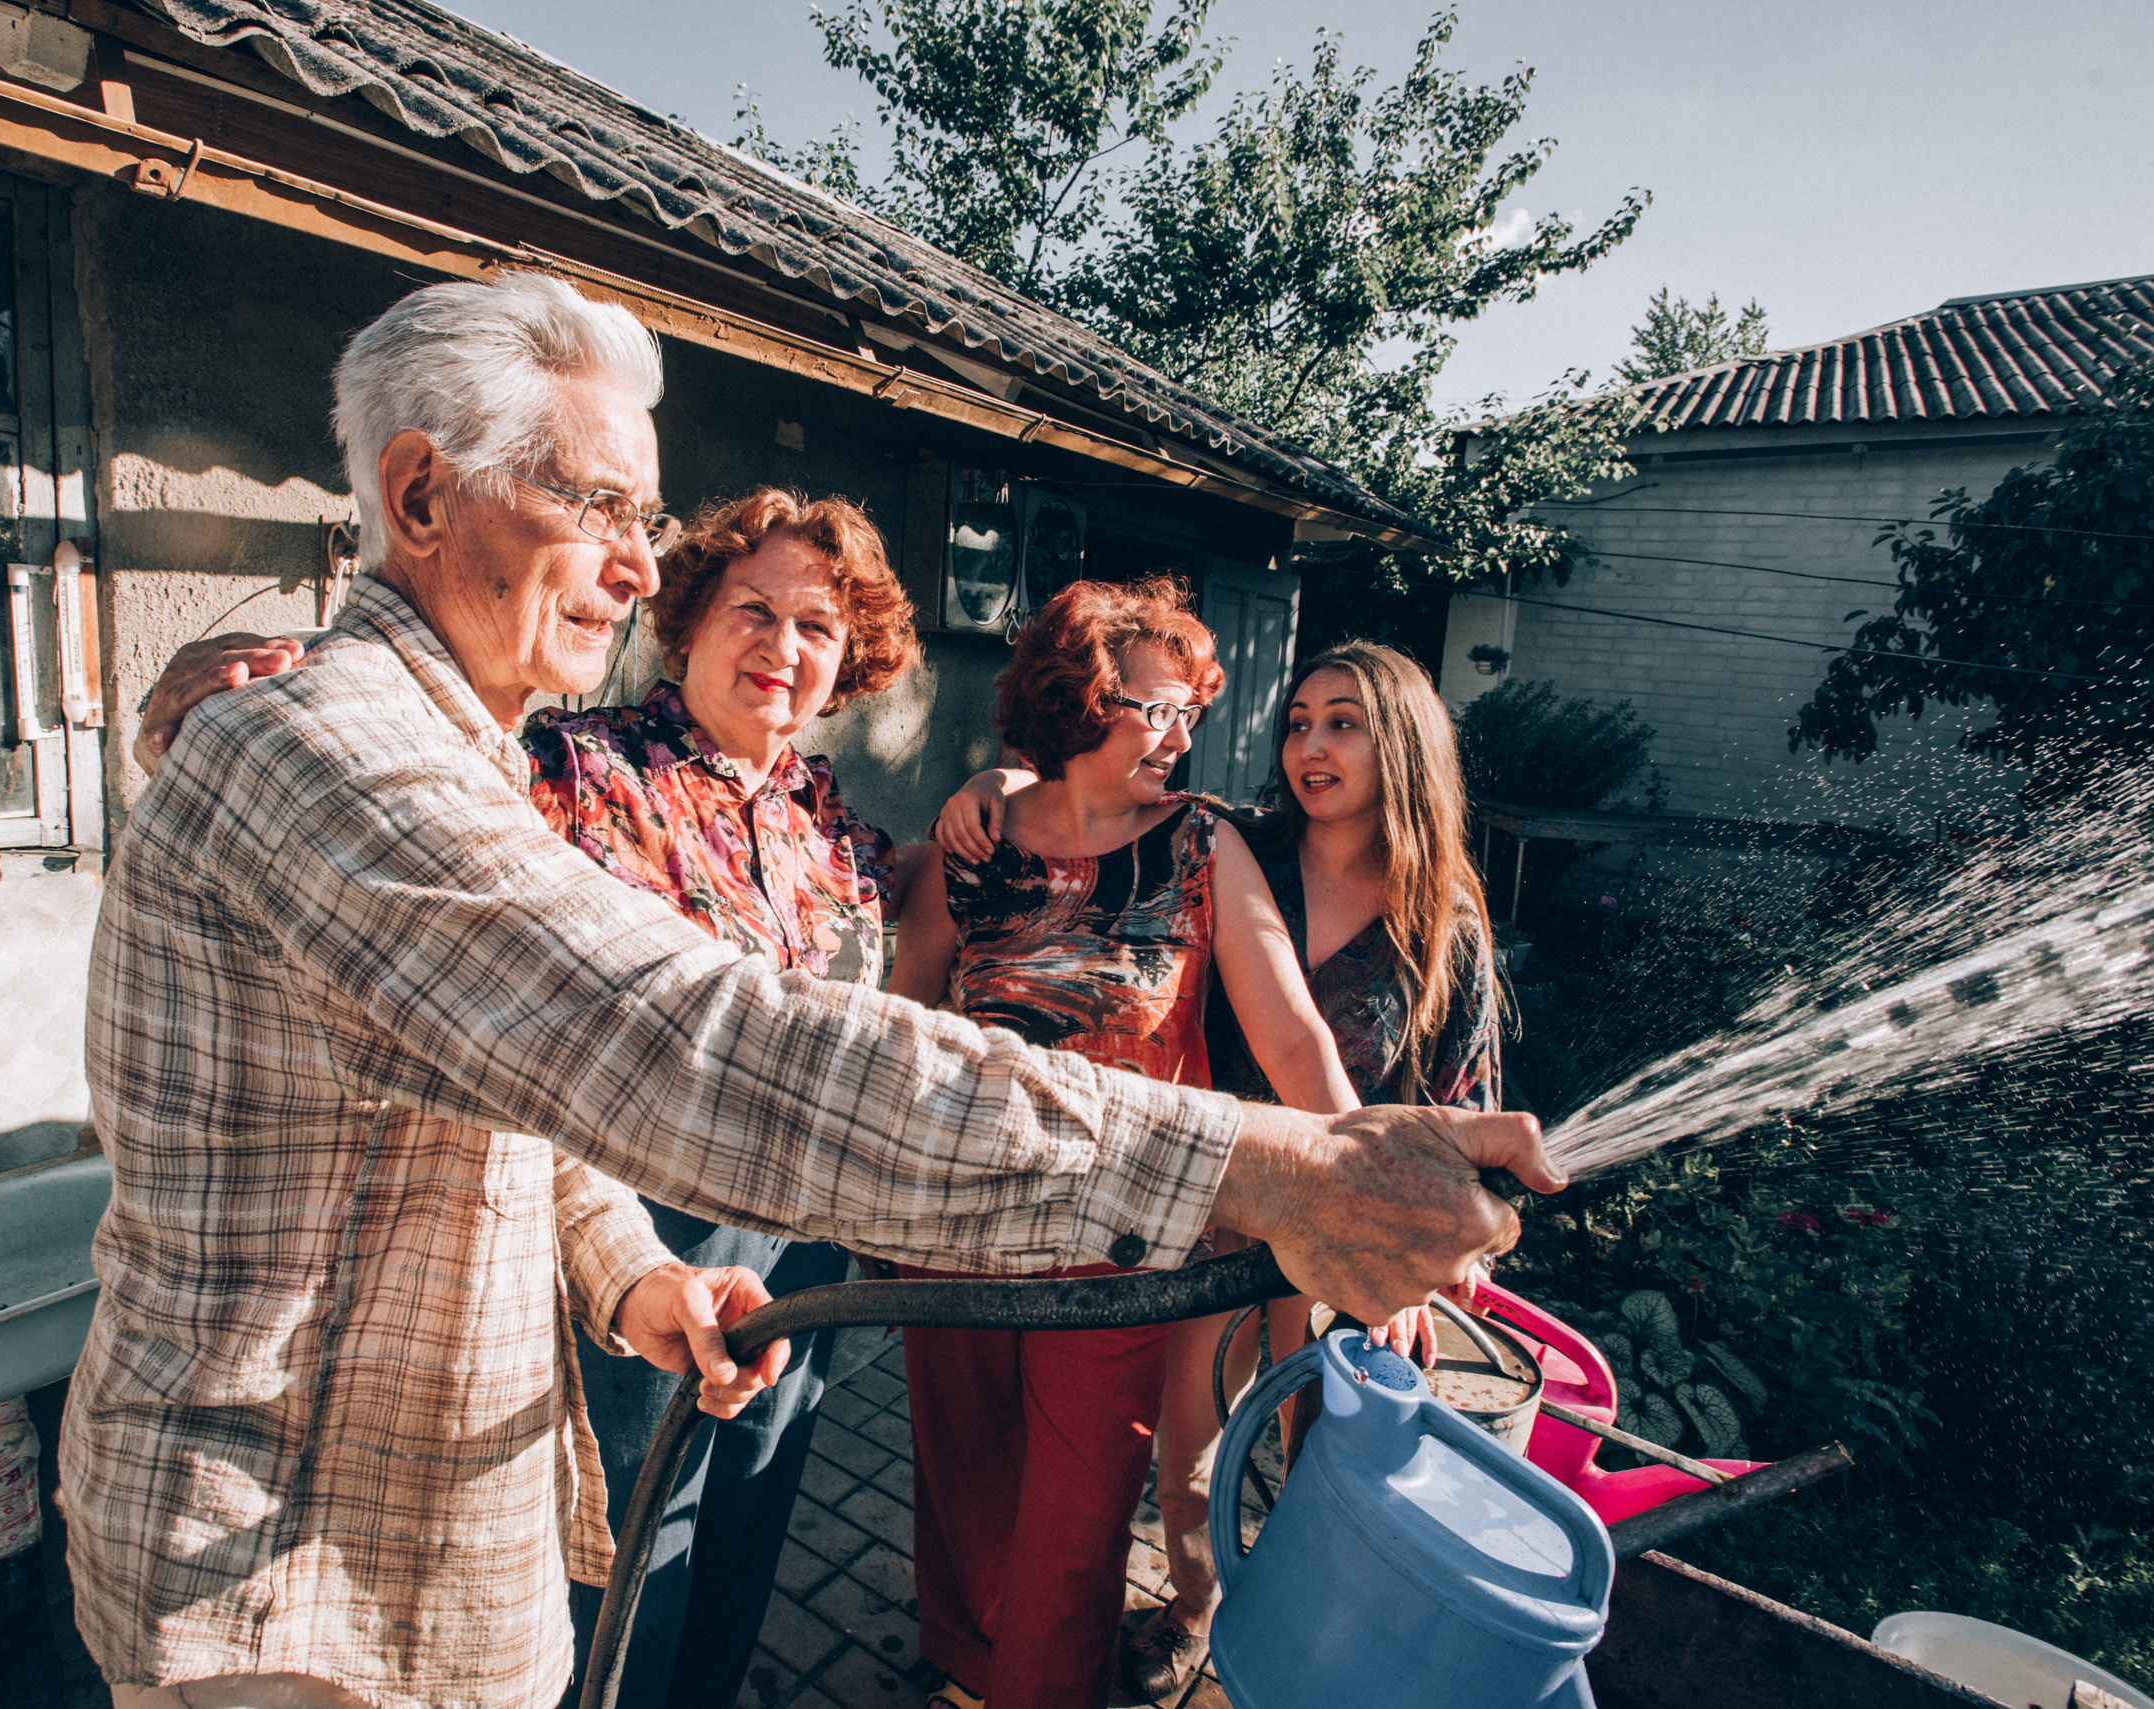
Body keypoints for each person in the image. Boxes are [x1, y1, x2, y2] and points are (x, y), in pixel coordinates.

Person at [76, 270, 1553, 1709]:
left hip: (554, 1429)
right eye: (596, 506)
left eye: (648, 521)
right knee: (660, 1577)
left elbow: (507, 1083)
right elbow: (686, 1041)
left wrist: (624, 1271)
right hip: (280, 1574)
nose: (636, 564)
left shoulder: (764, 802)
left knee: (735, 1546)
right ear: (418, 497)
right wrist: (1259, 1167)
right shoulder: (354, 753)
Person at [141, 485, 924, 1709]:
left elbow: (893, 931)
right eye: (754, 610)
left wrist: (1005, 803)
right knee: (625, 1550)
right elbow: (388, 789)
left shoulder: (823, 817)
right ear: (689, 620)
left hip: (805, 1229)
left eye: (816, 626)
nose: (782, 646)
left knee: (744, 1518)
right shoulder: (568, 764)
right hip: (641, 1220)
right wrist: (220, 704)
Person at [934, 638, 1503, 1697]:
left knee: (1323, 1452)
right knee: (1187, 1451)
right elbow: (1089, 784)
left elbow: (1460, 1106)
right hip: (1212, 1203)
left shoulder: (1444, 919)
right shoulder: (1234, 842)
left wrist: (1416, 1253)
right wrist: (992, 783)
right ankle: (1194, 1608)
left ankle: (1302, 1646)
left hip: (1343, 1213)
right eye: (1298, 723)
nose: (1310, 746)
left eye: (1343, 723)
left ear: (1404, 746)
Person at [883, 580, 1362, 1709]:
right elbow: (897, 1025)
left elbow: (1293, 1034)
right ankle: (968, 1672)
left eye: (1193, 711)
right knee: (965, 1488)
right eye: (1160, 709)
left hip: (1121, 1249)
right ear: (1081, 699)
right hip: (950, 1232)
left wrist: (1368, 1176)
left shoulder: (1201, 844)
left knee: (1077, 1524)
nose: (1184, 736)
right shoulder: (969, 848)